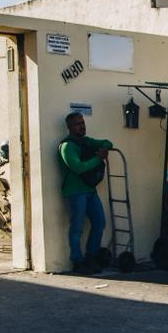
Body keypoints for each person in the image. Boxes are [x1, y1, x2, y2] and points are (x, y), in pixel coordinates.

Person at [59, 112, 112, 274]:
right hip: (75, 192)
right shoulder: (67, 146)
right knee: (77, 227)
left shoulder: (86, 141)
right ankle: (77, 261)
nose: (81, 126)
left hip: (89, 190)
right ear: (69, 127)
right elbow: (78, 167)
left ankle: (91, 256)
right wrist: (98, 158)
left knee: (100, 223)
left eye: (82, 123)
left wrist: (103, 149)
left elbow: (107, 142)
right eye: (77, 124)